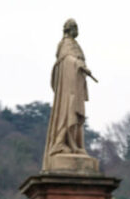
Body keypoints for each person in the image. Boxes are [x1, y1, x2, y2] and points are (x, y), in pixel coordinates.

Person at [42, 19, 97, 168]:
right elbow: (66, 60)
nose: (77, 30)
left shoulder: (74, 44)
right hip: (69, 88)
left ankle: (75, 144)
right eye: (75, 27)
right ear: (69, 29)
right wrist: (78, 64)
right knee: (69, 111)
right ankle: (63, 143)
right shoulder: (66, 44)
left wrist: (81, 66)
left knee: (76, 115)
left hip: (77, 84)